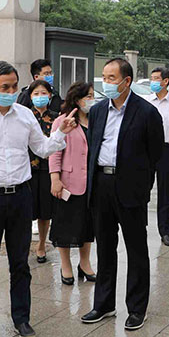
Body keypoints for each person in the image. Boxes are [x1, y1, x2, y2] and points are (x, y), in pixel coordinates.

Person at [0, 61, 77, 337]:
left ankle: (22, 319)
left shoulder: (24, 116)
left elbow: (42, 148)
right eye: (4, 87)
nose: (10, 91)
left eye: (13, 86)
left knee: (20, 263)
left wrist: (62, 133)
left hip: (21, 195)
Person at [80, 58, 162, 331]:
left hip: (130, 188)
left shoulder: (147, 113)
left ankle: (137, 308)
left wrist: (142, 187)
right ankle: (104, 304)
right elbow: (93, 148)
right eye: (104, 77)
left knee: (136, 249)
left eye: (112, 78)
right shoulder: (99, 110)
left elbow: (155, 156)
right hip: (101, 184)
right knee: (104, 247)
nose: (106, 83)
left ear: (127, 81)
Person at [49, 81, 97, 285]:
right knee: (65, 225)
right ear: (77, 99)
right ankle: (66, 264)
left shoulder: (97, 120)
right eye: (89, 96)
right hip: (69, 181)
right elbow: (54, 152)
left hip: (92, 183)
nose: (92, 100)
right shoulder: (63, 120)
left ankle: (85, 263)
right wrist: (55, 178)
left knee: (87, 225)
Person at [17, 79, 60, 262]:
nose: (40, 97)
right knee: (26, 211)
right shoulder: (24, 116)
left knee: (44, 211)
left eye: (44, 93)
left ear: (50, 96)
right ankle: (22, 245)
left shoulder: (57, 117)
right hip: (26, 169)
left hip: (48, 170)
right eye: (36, 94)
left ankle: (42, 244)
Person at [145, 67, 169, 246]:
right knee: (143, 189)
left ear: (165, 81)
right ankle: (140, 227)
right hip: (146, 151)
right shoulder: (146, 102)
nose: (153, 81)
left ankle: (165, 231)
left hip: (167, 150)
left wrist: (168, 145)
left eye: (156, 78)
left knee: (166, 192)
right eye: (151, 78)